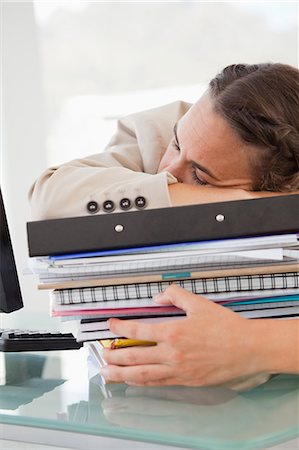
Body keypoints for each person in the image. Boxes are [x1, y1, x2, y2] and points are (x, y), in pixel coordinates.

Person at [29, 63, 299, 390]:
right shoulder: (175, 128)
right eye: (175, 143)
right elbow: (51, 196)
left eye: (200, 176)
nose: (166, 170)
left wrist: (257, 347)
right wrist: (221, 198)